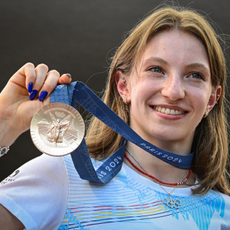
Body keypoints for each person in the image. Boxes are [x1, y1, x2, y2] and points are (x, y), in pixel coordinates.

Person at [0, 5, 230, 230]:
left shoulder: (225, 211)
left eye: (195, 75)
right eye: (156, 69)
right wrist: (4, 125)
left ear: (212, 99)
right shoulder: (63, 176)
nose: (173, 91)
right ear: (123, 86)